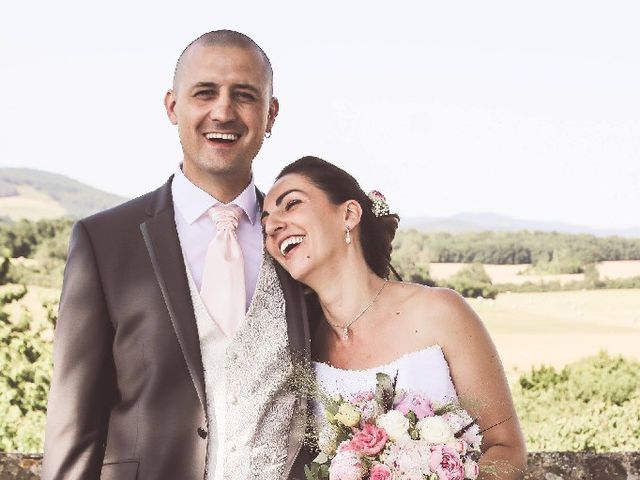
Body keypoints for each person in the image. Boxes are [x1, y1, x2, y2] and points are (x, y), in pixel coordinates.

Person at [42, 30, 311, 480]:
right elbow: (74, 424)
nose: (223, 111)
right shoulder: (103, 239)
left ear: (271, 114)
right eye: (205, 92)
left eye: (244, 95)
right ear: (172, 106)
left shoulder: (303, 242)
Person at [261, 156, 528, 479]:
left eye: (291, 205)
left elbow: (506, 447)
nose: (273, 225)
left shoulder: (440, 312)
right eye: (265, 222)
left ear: (348, 214)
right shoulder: (303, 344)